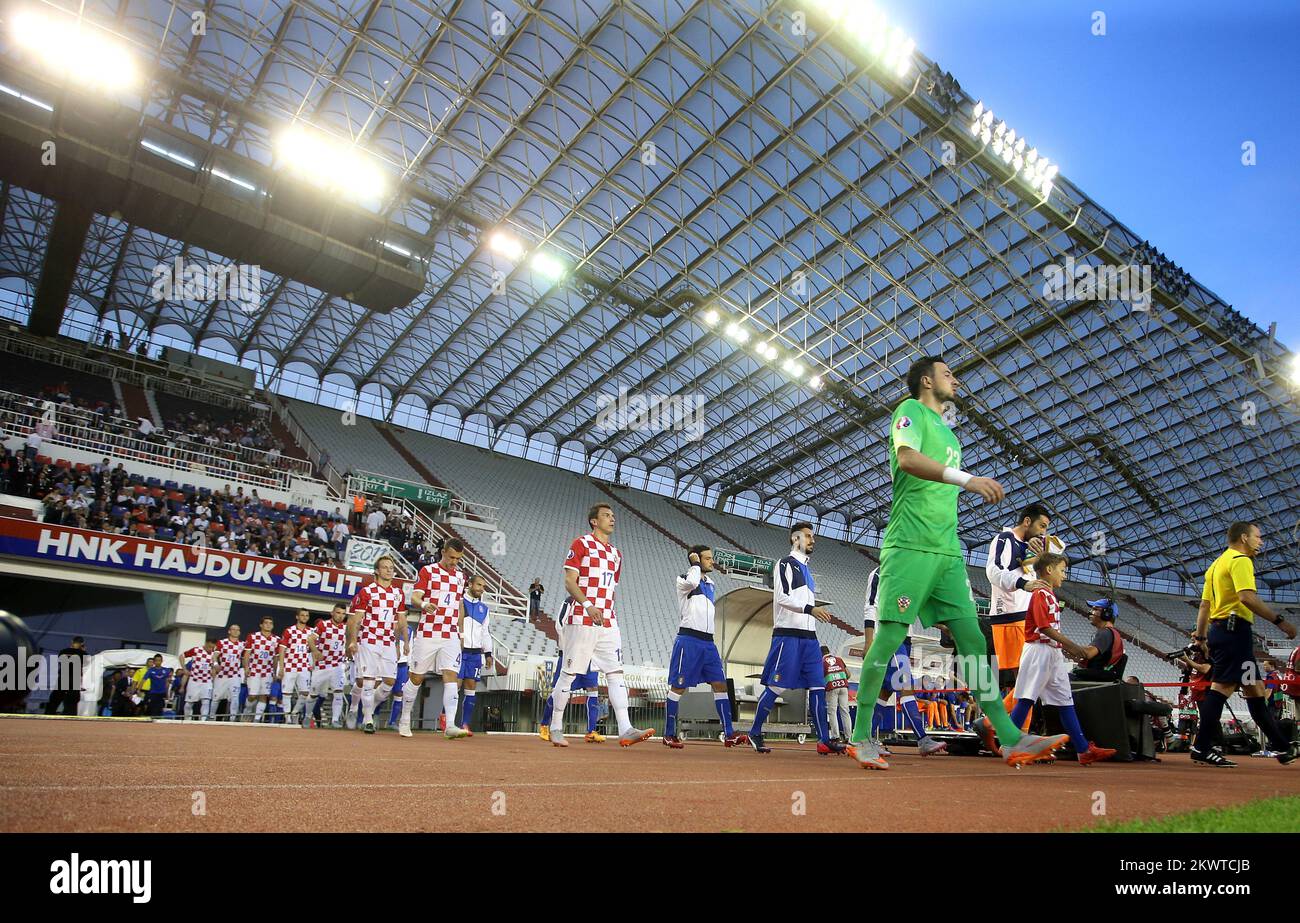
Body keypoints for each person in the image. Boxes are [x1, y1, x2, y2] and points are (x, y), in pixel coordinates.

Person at [848, 357, 1067, 770]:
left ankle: (1009, 736)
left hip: (947, 554)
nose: (955, 379)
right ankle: (860, 736)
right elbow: (909, 460)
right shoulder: (909, 411)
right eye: (947, 373)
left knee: (973, 643)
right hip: (910, 547)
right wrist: (967, 479)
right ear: (927, 381)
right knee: (889, 639)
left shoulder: (950, 435)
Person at [1190, 522, 1297, 767]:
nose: (1261, 542)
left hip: (1224, 633)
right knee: (1222, 688)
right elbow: (1246, 597)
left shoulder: (1215, 566)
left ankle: (1282, 747)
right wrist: (1280, 622)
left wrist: (1202, 638)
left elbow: (1205, 605)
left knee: (1254, 689)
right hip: (1234, 632)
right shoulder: (1240, 560)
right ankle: (1201, 746)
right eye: (1258, 537)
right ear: (1244, 538)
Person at [547, 503, 652, 748]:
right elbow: (569, 582)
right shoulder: (581, 544)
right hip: (582, 619)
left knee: (615, 673)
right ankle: (555, 727)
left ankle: (625, 728)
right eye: (606, 515)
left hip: (608, 621)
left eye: (613, 516)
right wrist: (587, 605)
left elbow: (610, 589)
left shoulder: (616, 554)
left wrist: (605, 612)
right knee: (568, 674)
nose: (612, 519)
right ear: (594, 521)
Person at [1005, 553, 1116, 765]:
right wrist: (1073, 646)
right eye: (1062, 570)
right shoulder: (1040, 594)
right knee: (1027, 697)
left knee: (1065, 700)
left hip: (1051, 652)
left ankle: (1083, 750)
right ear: (1048, 570)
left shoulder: (1049, 595)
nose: (1064, 576)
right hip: (1038, 650)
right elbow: (1044, 627)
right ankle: (1009, 744)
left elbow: (1050, 629)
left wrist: (1063, 649)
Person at [747, 522, 843, 754]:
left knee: (818, 688)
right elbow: (781, 598)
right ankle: (755, 731)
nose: (812, 540)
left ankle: (824, 739)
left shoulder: (808, 571)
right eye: (808, 536)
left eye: (813, 537)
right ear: (795, 539)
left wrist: (811, 612)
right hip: (787, 637)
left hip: (810, 639)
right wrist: (811, 609)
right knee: (776, 687)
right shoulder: (785, 564)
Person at [662, 545, 748, 749]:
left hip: (708, 643)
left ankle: (729, 734)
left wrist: (698, 566)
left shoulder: (710, 582)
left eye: (711, 558)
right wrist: (694, 564)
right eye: (707, 559)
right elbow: (693, 580)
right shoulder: (684, 580)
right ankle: (668, 734)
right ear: (696, 560)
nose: (711, 562)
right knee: (679, 686)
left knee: (720, 685)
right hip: (688, 640)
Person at [400, 539, 471, 740]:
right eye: (451, 557)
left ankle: (449, 725)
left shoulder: (460, 577)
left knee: (451, 676)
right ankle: (405, 719)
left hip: (450, 635)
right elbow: (414, 597)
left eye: (458, 558)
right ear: (442, 553)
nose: (454, 562)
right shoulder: (428, 571)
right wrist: (423, 604)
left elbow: (459, 605)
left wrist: (462, 632)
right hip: (428, 633)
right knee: (416, 677)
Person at [984, 503, 1053, 698]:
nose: (1043, 532)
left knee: (1032, 679)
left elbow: (1056, 559)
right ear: (1027, 521)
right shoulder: (1005, 539)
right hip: (1010, 616)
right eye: (1042, 526)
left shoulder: (1032, 546)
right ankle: (1005, 724)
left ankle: (1006, 724)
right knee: (1025, 677)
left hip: (1027, 615)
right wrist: (1023, 583)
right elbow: (993, 571)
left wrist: (1039, 555)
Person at [346, 555, 408, 734]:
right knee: (368, 680)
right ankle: (367, 720)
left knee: (389, 682)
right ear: (377, 571)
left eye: (391, 567)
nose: (389, 570)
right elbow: (356, 619)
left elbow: (401, 620)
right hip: (369, 640)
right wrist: (353, 641)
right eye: (385, 567)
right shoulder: (367, 591)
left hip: (388, 642)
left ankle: (364, 708)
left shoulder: (399, 593)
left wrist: (400, 643)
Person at [456, 574, 493, 735]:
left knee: (471, 687)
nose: (481, 589)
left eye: (483, 586)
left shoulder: (484, 609)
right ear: (470, 584)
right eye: (478, 585)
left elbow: (485, 633)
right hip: (458, 650)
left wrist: (488, 653)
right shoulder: (459, 602)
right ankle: (446, 720)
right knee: (454, 685)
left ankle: (465, 724)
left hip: (475, 653)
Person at [308, 603, 349, 728]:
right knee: (313, 693)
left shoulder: (346, 628)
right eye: (338, 613)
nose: (340, 616)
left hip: (337, 665)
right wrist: (315, 651)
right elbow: (310, 639)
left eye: (343, 614)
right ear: (332, 613)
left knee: (338, 691)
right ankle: (307, 716)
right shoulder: (323, 624)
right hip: (322, 665)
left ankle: (335, 720)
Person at [277, 609, 319, 726]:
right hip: (290, 666)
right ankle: (287, 717)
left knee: (305, 693)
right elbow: (282, 649)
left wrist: (314, 663)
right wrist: (281, 666)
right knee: (287, 693)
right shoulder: (289, 631)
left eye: (307, 615)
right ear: (297, 617)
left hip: (304, 666)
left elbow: (314, 649)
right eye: (302, 615)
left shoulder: (311, 632)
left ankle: (294, 713)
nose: (304, 617)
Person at [1070, 598, 1126, 681]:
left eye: (1095, 609)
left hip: (1090, 679)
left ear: (1107, 613)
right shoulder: (1112, 633)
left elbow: (1087, 653)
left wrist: (1060, 643)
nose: (1090, 612)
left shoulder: (1105, 633)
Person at [242, 616, 281, 722]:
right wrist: (246, 668)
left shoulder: (276, 639)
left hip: (267, 671)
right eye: (266, 623)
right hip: (254, 670)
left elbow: (276, 658)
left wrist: (274, 672)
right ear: (261, 625)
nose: (268, 625)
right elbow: (247, 654)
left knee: (264, 695)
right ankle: (247, 711)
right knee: (252, 696)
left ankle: (257, 719)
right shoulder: (253, 636)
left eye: (270, 623)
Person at [44, 636, 88, 716]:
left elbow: (60, 662)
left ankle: (49, 713)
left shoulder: (63, 651)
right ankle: (69, 715)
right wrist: (83, 651)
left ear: (72, 642)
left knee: (55, 698)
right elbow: (87, 664)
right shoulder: (83, 654)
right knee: (72, 699)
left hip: (63, 677)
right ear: (82, 644)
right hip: (74, 678)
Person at [820, 645, 852, 745]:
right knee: (845, 711)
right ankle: (849, 737)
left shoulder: (822, 662)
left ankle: (835, 737)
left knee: (832, 712)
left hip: (831, 687)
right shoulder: (839, 659)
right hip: (843, 686)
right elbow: (848, 674)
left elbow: (820, 677)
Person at [180, 639, 217, 720]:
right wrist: (184, 669)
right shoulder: (196, 650)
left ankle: (203, 721)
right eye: (210, 647)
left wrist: (214, 681)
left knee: (206, 701)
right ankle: (187, 720)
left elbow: (214, 668)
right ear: (206, 643)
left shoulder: (214, 654)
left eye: (212, 647)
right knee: (189, 704)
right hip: (194, 681)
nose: (211, 649)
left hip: (207, 681)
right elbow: (181, 656)